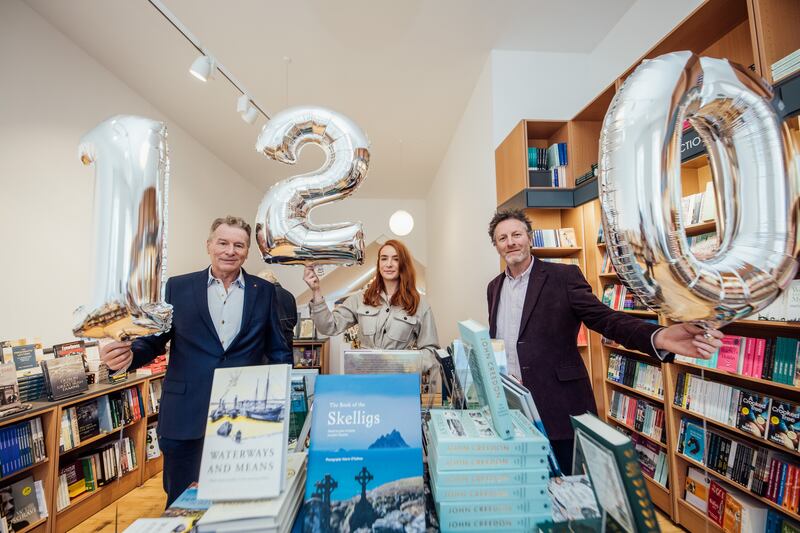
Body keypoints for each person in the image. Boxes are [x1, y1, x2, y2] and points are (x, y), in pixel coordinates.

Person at [486, 208, 723, 473]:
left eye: (517, 234)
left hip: (560, 406)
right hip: (516, 407)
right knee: (528, 485)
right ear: (496, 246)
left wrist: (659, 336)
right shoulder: (494, 287)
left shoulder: (563, 278)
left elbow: (605, 319)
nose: (511, 242)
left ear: (529, 237)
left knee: (572, 488)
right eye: (502, 238)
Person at [100, 216, 291, 507]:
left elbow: (278, 348)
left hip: (243, 417)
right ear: (209, 245)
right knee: (181, 502)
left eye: (238, 245)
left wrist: (282, 397)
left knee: (236, 502)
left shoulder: (263, 292)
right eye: (223, 242)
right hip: (185, 415)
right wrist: (128, 357)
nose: (230, 251)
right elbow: (153, 340)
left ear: (247, 251)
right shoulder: (178, 287)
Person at [303, 239, 440, 368]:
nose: (389, 264)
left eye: (396, 259)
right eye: (384, 258)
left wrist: (406, 364)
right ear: (379, 263)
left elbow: (431, 351)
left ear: (403, 264)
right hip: (366, 382)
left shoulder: (419, 304)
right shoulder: (360, 299)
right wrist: (316, 290)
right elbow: (329, 326)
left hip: (401, 383)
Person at [257, 270, 298, 350]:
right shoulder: (289, 295)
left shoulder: (266, 295)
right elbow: (295, 320)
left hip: (271, 343)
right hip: (288, 339)